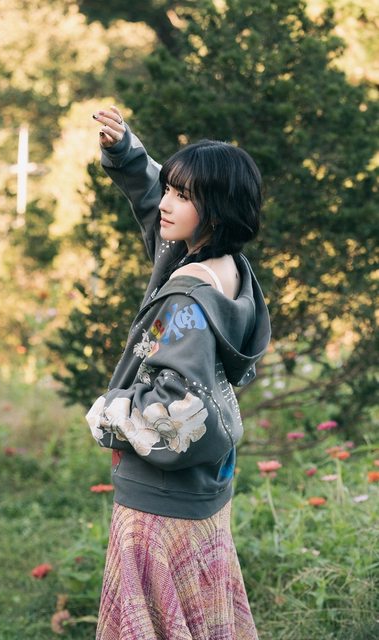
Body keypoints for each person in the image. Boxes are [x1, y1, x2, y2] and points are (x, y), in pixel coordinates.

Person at [87, 105, 271, 639]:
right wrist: (127, 153)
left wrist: (108, 414)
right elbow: (156, 206)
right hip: (204, 490)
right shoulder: (230, 270)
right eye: (169, 188)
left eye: (182, 195)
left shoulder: (186, 301)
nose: (166, 203)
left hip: (158, 502)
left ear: (215, 209)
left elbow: (173, 408)